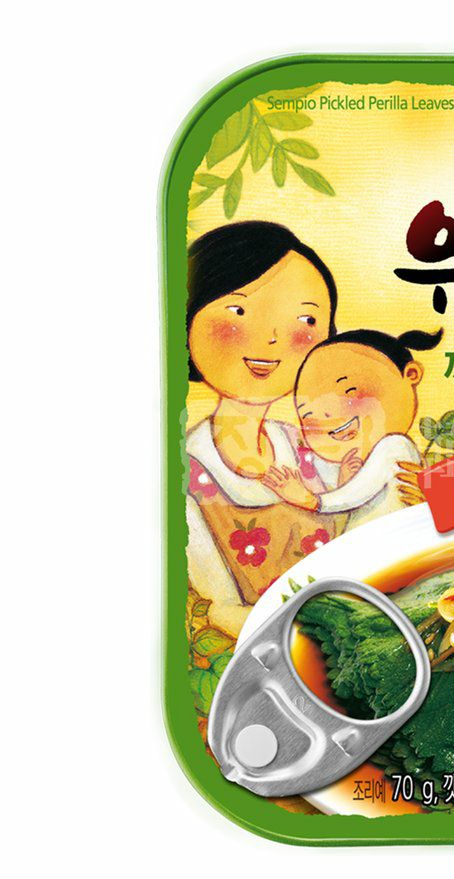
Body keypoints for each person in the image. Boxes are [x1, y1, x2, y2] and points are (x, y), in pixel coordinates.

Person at [184, 221, 339, 637]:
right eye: (239, 311)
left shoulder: (311, 447)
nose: (271, 339)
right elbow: (220, 609)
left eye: (306, 319)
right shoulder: (184, 474)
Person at [262, 329, 442, 529]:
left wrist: (312, 501)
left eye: (348, 393)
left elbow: (359, 492)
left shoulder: (396, 445)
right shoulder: (354, 465)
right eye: (308, 414)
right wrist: (344, 481)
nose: (327, 415)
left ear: (411, 374)